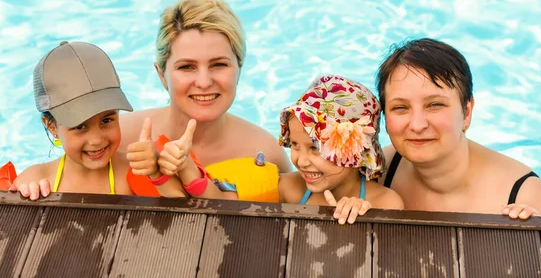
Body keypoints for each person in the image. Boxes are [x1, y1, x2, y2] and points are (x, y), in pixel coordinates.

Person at [154, 75, 404, 224]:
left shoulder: (384, 202)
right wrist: (185, 167)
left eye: (315, 148)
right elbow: (218, 202)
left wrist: (362, 218)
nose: (301, 161)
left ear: (355, 149)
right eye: (295, 145)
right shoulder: (291, 188)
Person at [120, 0, 291, 201]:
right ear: (161, 75)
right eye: (186, 67)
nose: (203, 82)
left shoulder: (267, 151)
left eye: (219, 65)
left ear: (239, 68)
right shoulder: (120, 140)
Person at [0, 41, 186, 203]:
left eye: (107, 120)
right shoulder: (37, 179)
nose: (96, 139)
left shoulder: (133, 170)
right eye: (80, 125)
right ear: (51, 126)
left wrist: (157, 174)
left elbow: (185, 214)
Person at [376, 38, 541, 219]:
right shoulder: (378, 172)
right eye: (400, 107)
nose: (417, 125)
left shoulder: (524, 195)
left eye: (435, 105)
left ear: (466, 112)